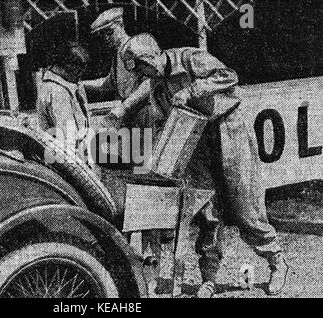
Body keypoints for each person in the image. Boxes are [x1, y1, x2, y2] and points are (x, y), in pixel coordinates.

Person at [118, 33, 289, 298]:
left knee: (245, 205)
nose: (142, 73)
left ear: (150, 57)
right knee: (208, 210)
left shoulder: (188, 58)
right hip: (196, 140)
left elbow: (229, 76)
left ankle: (277, 262)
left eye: (141, 66)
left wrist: (191, 90)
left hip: (228, 129)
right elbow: (166, 120)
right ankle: (208, 278)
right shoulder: (156, 86)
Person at [82, 7, 150, 128]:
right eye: (102, 35)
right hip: (130, 115)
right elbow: (107, 84)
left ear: (121, 25)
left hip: (146, 112)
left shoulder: (136, 46)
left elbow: (150, 82)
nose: (106, 38)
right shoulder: (118, 55)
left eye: (110, 32)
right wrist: (81, 84)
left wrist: (124, 107)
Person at [37, 41, 91, 160]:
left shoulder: (63, 84)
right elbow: (69, 136)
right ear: (68, 67)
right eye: (78, 72)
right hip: (70, 157)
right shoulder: (57, 91)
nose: (79, 77)